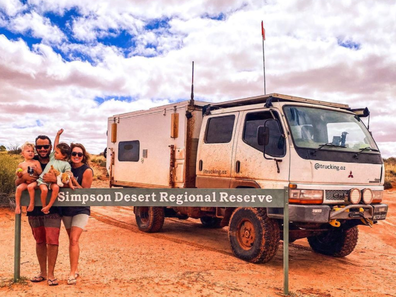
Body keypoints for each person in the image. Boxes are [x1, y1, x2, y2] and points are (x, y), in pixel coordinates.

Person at [15, 134, 61, 286]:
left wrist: (55, 180)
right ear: (35, 147)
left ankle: (51, 275)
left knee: (52, 241)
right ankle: (42, 272)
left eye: (45, 146)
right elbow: (17, 182)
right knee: (40, 241)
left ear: (50, 148)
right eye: (39, 146)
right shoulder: (29, 162)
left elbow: (65, 178)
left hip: (53, 208)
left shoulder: (57, 161)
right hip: (33, 208)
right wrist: (24, 177)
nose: (42, 149)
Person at [60, 143, 93, 285]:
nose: (76, 156)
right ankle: (75, 267)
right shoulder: (65, 167)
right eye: (74, 154)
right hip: (66, 209)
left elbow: (84, 192)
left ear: (83, 156)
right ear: (70, 155)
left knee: (74, 239)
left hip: (81, 209)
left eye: (79, 154)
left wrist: (73, 180)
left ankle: (72, 273)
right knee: (72, 240)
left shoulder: (87, 171)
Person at [37, 129, 73, 214]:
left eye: (57, 152)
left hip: (55, 182)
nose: (55, 153)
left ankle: (49, 205)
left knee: (56, 188)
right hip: (43, 179)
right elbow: (55, 145)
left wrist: (69, 181)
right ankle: (44, 206)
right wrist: (58, 135)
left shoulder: (67, 164)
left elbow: (67, 175)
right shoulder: (53, 158)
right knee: (44, 190)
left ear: (63, 155)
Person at [14, 142, 42, 214]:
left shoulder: (36, 162)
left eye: (32, 151)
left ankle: (32, 203)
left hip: (35, 181)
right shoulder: (21, 165)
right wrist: (19, 175)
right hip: (25, 182)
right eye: (28, 151)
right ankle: (17, 206)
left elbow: (40, 173)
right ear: (23, 153)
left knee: (30, 187)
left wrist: (36, 169)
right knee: (19, 188)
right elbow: (19, 178)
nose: (31, 153)